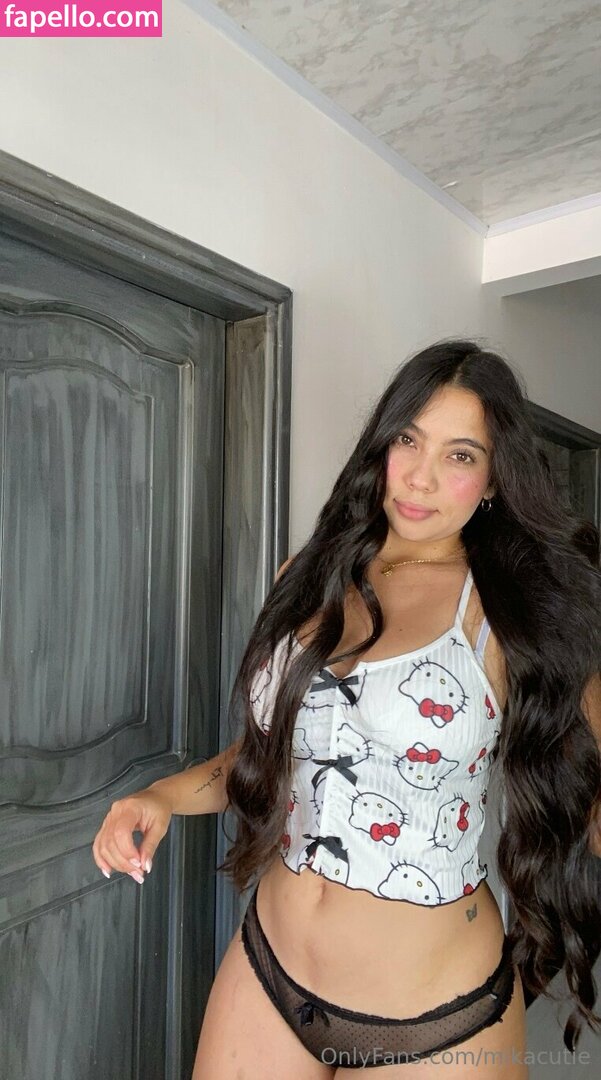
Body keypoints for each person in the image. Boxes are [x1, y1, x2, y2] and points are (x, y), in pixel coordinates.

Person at [92, 339, 601, 1078]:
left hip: (436, 1014)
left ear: (494, 478)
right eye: (407, 440)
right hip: (270, 969)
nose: (420, 476)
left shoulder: (510, 616)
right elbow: (270, 751)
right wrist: (162, 795)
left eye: (459, 455)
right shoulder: (305, 576)